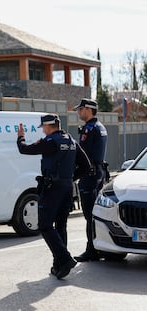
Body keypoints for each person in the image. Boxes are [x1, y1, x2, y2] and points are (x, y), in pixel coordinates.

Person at [17, 114, 91, 279]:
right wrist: (70, 178)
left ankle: (64, 259)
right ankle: (58, 265)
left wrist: (20, 138)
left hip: (52, 190)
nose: (43, 130)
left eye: (43, 127)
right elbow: (86, 166)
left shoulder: (50, 142)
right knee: (60, 225)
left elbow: (25, 149)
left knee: (44, 225)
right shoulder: (71, 141)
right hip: (66, 189)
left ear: (49, 126)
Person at [73, 98, 108, 262]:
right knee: (96, 213)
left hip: (89, 175)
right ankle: (99, 247)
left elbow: (82, 156)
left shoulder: (89, 129)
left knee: (89, 214)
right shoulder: (100, 127)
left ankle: (91, 250)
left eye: (80, 109)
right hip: (99, 172)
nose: (78, 112)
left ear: (88, 109)